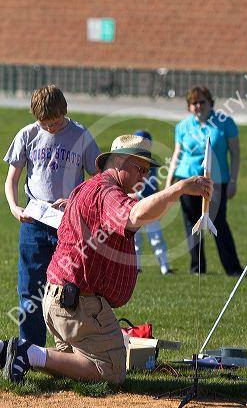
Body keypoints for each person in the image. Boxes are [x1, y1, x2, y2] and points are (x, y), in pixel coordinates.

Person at [1, 134, 213, 385]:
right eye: (140, 168)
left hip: (58, 300)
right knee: (111, 371)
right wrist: (178, 189)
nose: (145, 176)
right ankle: (26, 352)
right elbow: (135, 216)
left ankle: (15, 353)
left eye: (147, 170)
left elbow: (139, 213)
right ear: (120, 162)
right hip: (77, 305)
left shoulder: (90, 187)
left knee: (78, 368)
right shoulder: (108, 193)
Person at [3, 84, 100, 347]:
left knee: (69, 289)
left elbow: (98, 181)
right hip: (34, 222)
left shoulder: (80, 135)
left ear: (63, 112)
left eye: (55, 122)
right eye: (44, 123)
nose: (50, 128)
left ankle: (68, 349)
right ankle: (29, 350)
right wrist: (14, 207)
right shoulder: (27, 135)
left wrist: (73, 200)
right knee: (30, 290)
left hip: (68, 224)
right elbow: (11, 179)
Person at [166, 85, 243, 276]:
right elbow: (177, 154)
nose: (198, 106)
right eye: (194, 103)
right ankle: (197, 268)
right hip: (187, 179)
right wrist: (169, 183)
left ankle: (233, 268)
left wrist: (233, 180)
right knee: (191, 223)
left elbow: (235, 152)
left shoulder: (225, 123)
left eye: (202, 102)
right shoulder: (183, 127)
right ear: (189, 106)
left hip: (217, 181)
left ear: (211, 103)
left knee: (219, 222)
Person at [133, 129, 172, 275]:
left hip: (150, 204)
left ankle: (164, 267)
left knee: (156, 236)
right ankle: (136, 266)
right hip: (135, 203)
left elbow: (154, 184)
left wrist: (158, 202)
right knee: (135, 239)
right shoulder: (130, 161)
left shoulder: (151, 162)